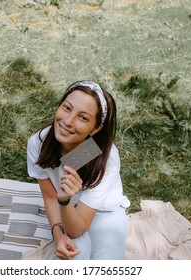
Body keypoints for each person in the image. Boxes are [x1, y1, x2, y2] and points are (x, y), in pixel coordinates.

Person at [27, 81, 130, 260]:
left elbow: (78, 226)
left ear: (96, 128)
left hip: (105, 212)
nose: (68, 122)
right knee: (75, 258)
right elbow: (51, 197)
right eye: (67, 108)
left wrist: (65, 201)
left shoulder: (105, 156)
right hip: (68, 209)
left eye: (83, 118)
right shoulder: (38, 142)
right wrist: (58, 235)